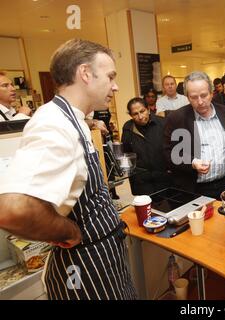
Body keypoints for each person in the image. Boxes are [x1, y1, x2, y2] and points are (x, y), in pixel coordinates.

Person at [0, 39, 137, 300]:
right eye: (110, 77)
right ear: (85, 73)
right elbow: (12, 210)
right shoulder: (54, 124)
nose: (115, 86)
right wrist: (69, 231)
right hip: (85, 270)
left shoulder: (76, 120)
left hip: (103, 261)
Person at [163, 71, 225, 199]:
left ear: (212, 93)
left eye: (204, 95)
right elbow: (169, 153)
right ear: (187, 97)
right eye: (194, 97)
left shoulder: (224, 112)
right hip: (196, 189)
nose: (200, 102)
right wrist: (192, 162)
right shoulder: (177, 118)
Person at [122, 97, 172, 195]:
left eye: (142, 111)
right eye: (135, 114)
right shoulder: (128, 127)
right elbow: (126, 152)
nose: (140, 117)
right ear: (130, 115)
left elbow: (172, 147)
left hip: (163, 177)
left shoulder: (162, 123)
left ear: (148, 109)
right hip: (141, 180)